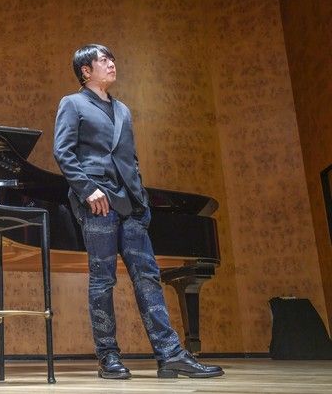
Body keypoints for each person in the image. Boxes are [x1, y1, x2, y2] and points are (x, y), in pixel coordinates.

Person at [53, 44, 224, 379]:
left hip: (131, 205)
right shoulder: (72, 104)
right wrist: (88, 190)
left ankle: (170, 354)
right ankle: (108, 357)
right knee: (102, 281)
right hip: (98, 203)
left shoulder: (123, 110)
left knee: (147, 278)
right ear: (85, 71)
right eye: (103, 60)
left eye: (112, 59)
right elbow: (62, 152)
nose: (111, 64)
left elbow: (131, 161)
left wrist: (142, 203)